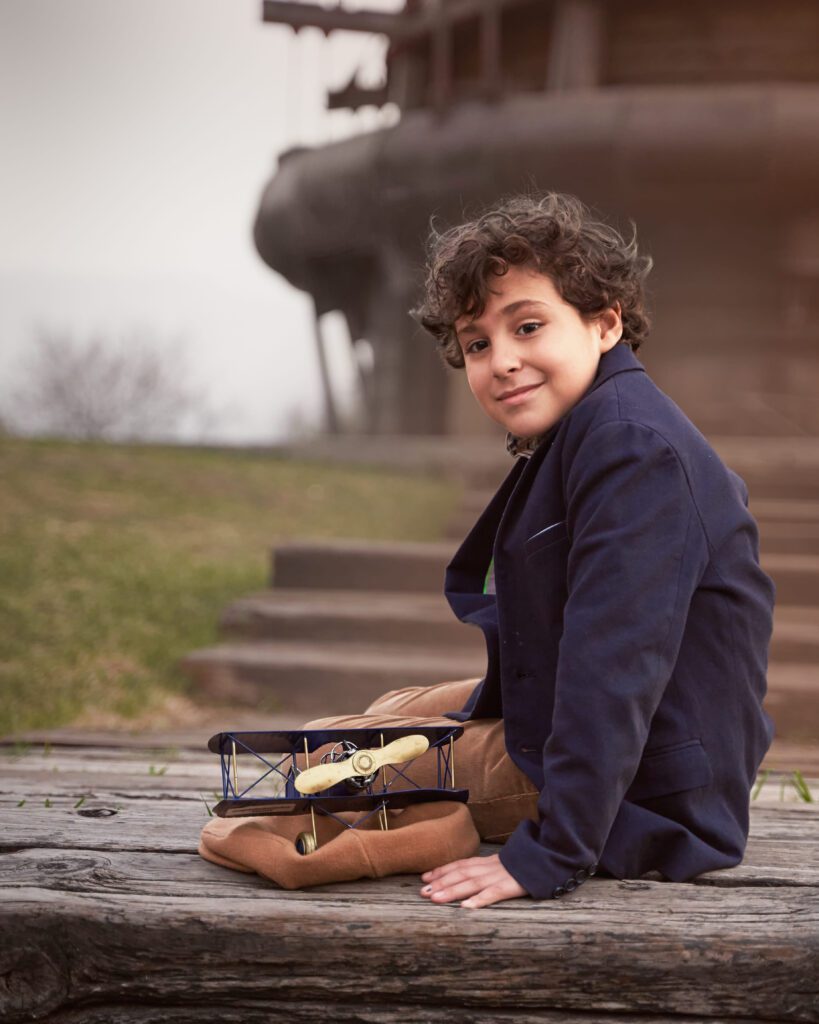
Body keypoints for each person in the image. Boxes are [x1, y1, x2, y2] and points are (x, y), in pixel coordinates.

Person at [313, 192, 776, 909]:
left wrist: (550, 855)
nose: (502, 361)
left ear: (604, 321)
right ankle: (426, 799)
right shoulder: (592, 429)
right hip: (607, 734)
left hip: (648, 789)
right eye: (476, 344)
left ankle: (429, 833)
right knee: (385, 713)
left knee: (316, 756)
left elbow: (615, 664)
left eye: (527, 326)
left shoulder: (631, 449)